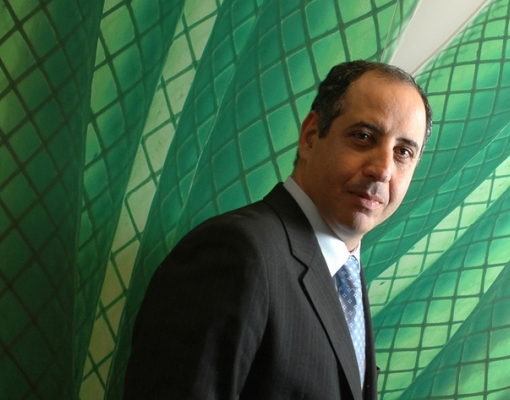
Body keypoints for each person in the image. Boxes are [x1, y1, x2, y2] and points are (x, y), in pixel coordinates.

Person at [123, 60, 433, 400]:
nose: (383, 169)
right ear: (311, 136)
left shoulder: (346, 276)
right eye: (363, 137)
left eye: (403, 152)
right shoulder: (235, 253)